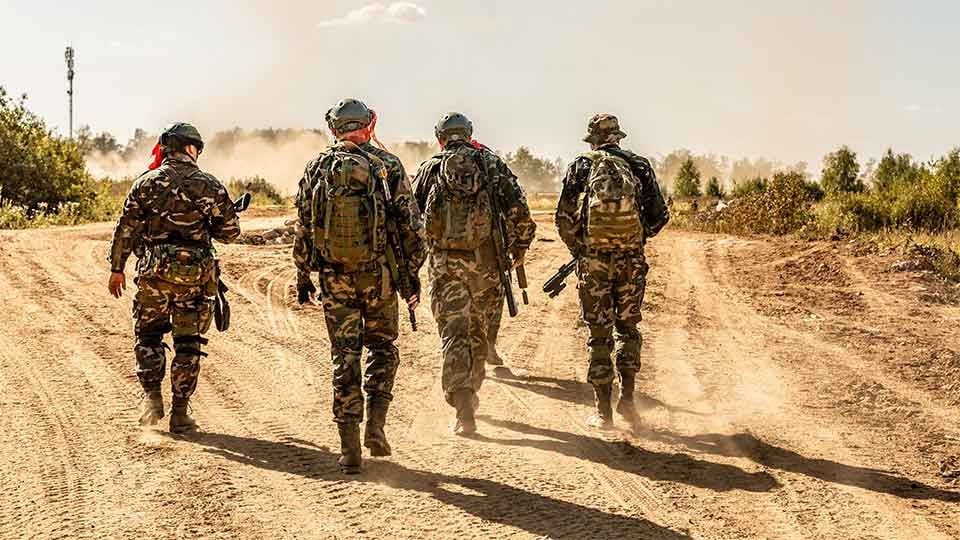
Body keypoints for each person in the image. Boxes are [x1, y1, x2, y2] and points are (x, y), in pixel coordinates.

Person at [294, 98, 426, 473]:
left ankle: (349, 448)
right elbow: (412, 229)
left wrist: (303, 274)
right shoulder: (387, 165)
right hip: (379, 276)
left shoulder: (317, 167)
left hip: (334, 279)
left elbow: (303, 227)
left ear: (333, 128)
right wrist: (410, 276)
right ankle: (377, 426)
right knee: (383, 349)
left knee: (344, 356)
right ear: (368, 124)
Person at [108, 122, 241, 433]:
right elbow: (230, 233)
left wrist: (117, 269)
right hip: (194, 279)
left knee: (149, 337)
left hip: (153, 275)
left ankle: (152, 401)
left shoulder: (145, 184)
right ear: (191, 148)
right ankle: (180, 413)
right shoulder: (210, 185)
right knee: (188, 342)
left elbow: (125, 229)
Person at [412, 112, 536, 435]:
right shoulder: (490, 164)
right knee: (479, 336)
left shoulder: (429, 170)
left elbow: (410, 220)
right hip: (487, 267)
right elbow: (520, 212)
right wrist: (518, 251)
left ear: (440, 138)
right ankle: (471, 394)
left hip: (445, 268)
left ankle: (464, 410)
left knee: (455, 333)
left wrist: (415, 263)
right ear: (469, 134)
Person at [555, 114, 669, 428]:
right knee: (628, 329)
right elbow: (660, 216)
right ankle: (628, 401)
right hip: (631, 262)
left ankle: (603, 412)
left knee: (599, 333)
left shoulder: (581, 165)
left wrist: (581, 249)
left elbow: (563, 218)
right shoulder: (639, 165)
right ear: (618, 136)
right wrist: (636, 238)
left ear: (591, 139)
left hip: (593, 263)